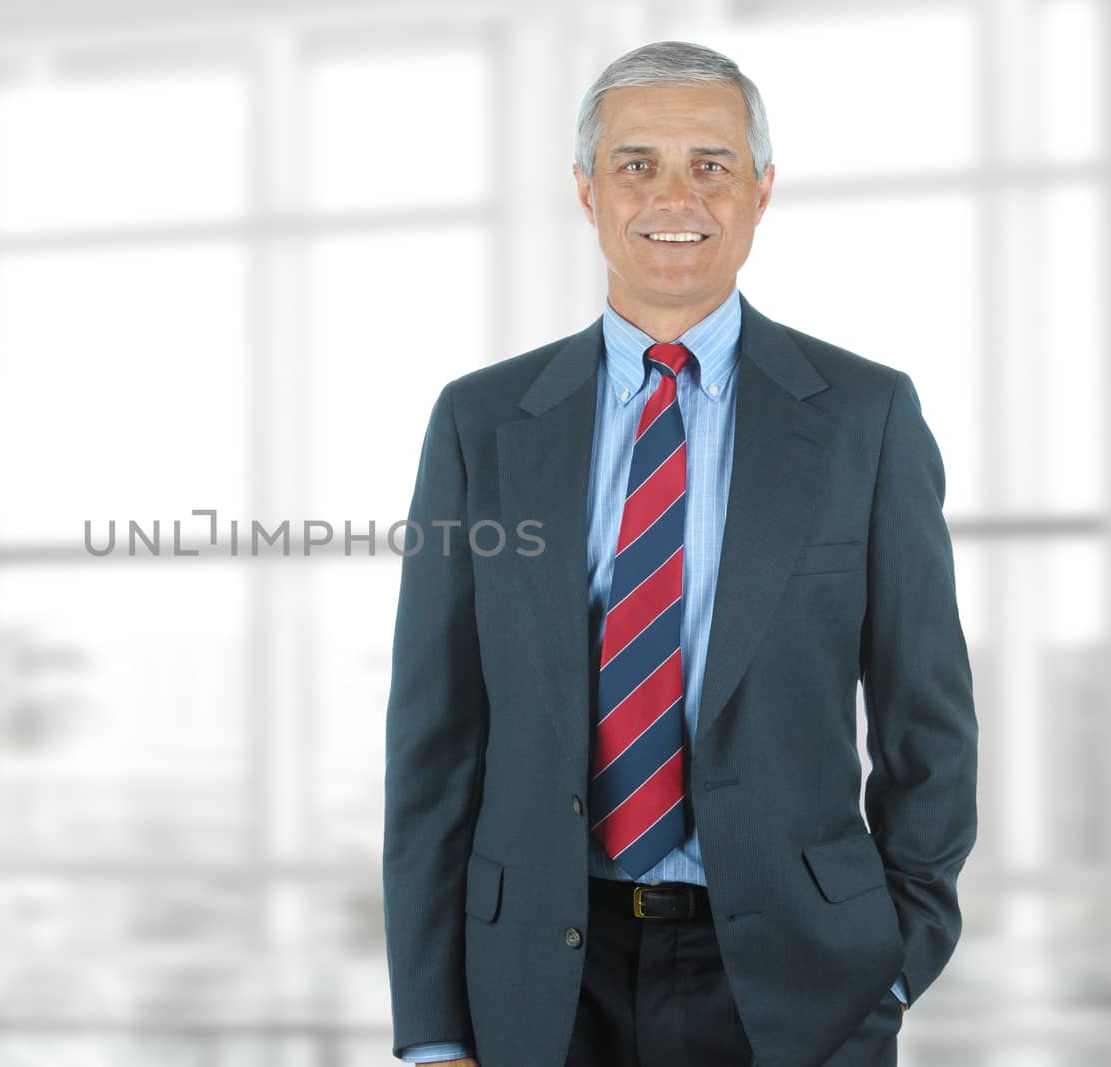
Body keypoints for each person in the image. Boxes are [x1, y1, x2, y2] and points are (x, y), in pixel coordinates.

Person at [381, 39, 977, 1067]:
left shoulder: (865, 417)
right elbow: (433, 741)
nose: (675, 195)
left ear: (760, 191)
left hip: (800, 984)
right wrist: (434, 1030)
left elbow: (928, 720)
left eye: (711, 164)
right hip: (536, 977)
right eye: (635, 163)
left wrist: (889, 959)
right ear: (585, 192)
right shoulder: (480, 423)